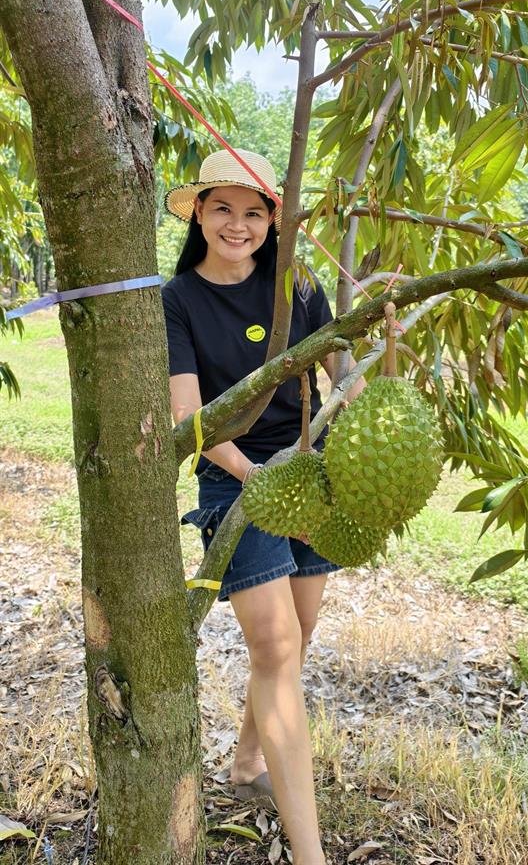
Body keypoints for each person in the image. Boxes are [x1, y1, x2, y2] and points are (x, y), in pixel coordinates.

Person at [161, 148, 363, 865]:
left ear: (273, 221)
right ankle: (311, 855)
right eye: (222, 208)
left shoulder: (297, 287)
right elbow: (191, 418)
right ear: (199, 214)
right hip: (235, 477)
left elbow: (344, 373)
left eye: (253, 212)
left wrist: (377, 353)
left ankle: (247, 763)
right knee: (275, 647)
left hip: (310, 468)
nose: (237, 225)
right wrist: (257, 479)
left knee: (298, 636)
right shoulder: (177, 299)